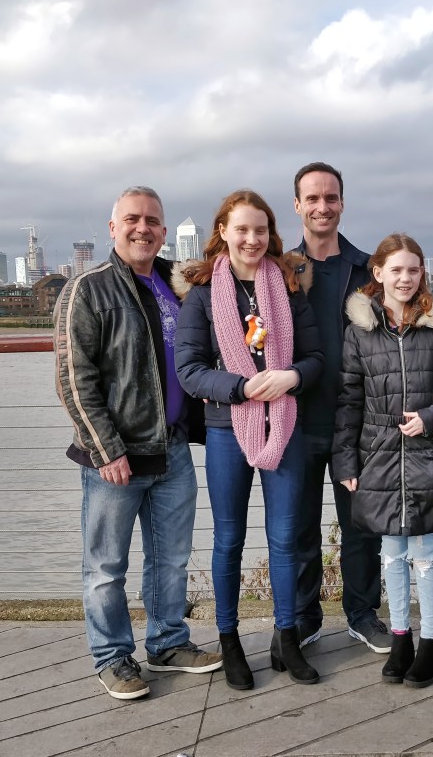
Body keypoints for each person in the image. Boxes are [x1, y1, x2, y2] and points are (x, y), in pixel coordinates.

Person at [53, 186, 222, 701]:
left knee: (170, 558)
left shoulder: (180, 283)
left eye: (152, 220)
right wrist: (106, 451)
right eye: (131, 219)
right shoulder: (88, 288)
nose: (142, 228)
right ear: (112, 228)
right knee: (105, 566)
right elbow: (72, 377)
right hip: (116, 457)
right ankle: (111, 657)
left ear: (165, 231)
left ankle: (168, 642)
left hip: (172, 449)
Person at [174, 189, 324, 688]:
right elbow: (190, 370)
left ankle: (286, 637)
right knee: (229, 539)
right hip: (225, 431)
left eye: (260, 229)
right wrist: (238, 388)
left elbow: (317, 359)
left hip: (284, 424)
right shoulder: (200, 294)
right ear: (223, 232)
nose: (252, 238)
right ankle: (230, 639)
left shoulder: (287, 286)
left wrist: (292, 378)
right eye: (242, 229)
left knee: (285, 539)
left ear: (270, 233)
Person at [332, 233, 433, 688]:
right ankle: (401, 639)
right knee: (390, 553)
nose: (406, 278)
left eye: (414, 269)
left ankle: (430, 643)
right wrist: (346, 462)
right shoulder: (360, 332)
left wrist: (431, 418)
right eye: (396, 269)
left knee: (425, 554)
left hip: (426, 454)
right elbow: (349, 400)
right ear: (378, 274)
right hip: (377, 455)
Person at [289, 161, 392, 653]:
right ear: (298, 206)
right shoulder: (281, 270)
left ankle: (362, 613)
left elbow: (407, 328)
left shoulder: (370, 270)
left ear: (342, 204)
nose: (322, 206)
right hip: (297, 420)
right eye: (312, 198)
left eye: (330, 198)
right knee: (301, 526)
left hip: (360, 420)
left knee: (361, 525)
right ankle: (306, 616)